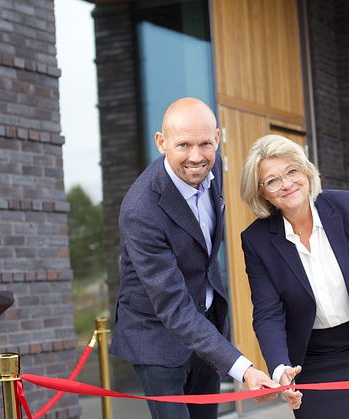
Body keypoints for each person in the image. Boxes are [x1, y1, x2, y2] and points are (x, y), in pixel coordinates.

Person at [111, 98, 278, 419]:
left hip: (207, 323)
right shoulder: (140, 209)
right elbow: (173, 305)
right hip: (156, 332)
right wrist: (243, 369)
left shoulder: (211, 167)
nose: (196, 156)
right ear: (161, 143)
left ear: (217, 137)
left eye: (205, 143)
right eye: (183, 145)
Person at [239, 134, 349, 418]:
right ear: (262, 193)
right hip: (308, 362)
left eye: (292, 171)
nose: (287, 184)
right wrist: (281, 367)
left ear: (305, 171)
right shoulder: (256, 240)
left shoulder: (348, 207)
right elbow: (268, 312)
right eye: (273, 180)